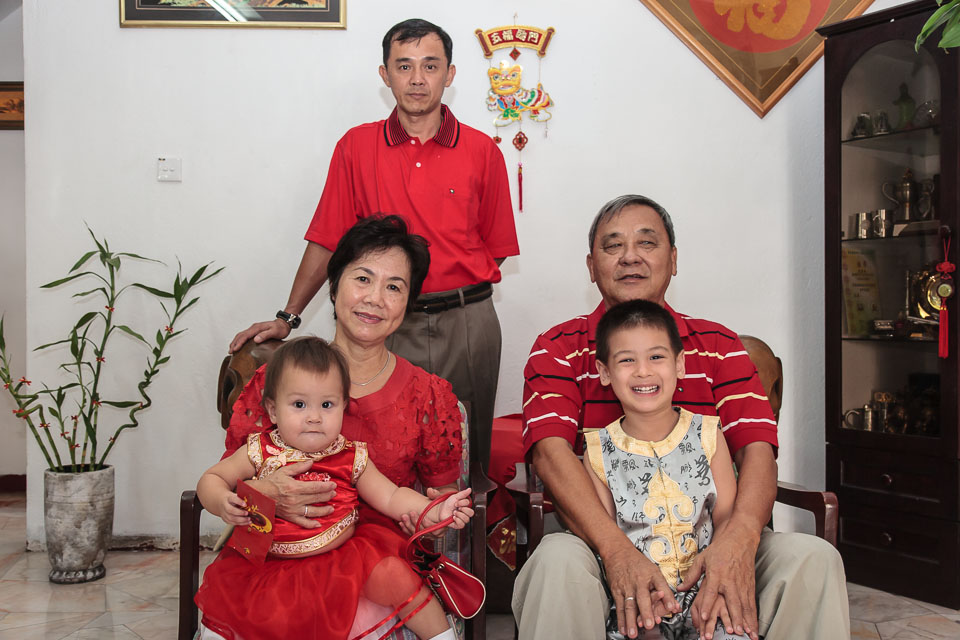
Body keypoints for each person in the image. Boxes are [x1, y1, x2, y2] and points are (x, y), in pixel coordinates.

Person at [513, 195, 848, 640]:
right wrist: (616, 551)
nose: (630, 256)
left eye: (646, 242)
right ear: (591, 266)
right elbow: (550, 455)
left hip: (715, 536)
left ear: (673, 259)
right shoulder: (557, 347)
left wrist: (738, 540)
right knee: (555, 563)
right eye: (613, 245)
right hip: (596, 540)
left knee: (814, 559)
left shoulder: (719, 345)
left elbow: (757, 451)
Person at [228, 18, 519, 471]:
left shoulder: (483, 151)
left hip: (467, 323)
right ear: (385, 75)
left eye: (430, 66)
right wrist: (288, 317)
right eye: (404, 66)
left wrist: (450, 285)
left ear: (450, 74)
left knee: (464, 452)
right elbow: (328, 240)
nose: (417, 79)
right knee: (376, 452)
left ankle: (463, 521)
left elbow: (494, 246)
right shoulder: (356, 146)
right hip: (382, 322)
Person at [195, 337, 473, 640]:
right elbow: (212, 479)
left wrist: (435, 508)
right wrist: (222, 500)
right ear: (273, 411)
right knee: (234, 616)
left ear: (343, 407)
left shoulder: (351, 455)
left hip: (345, 564)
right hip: (270, 566)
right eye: (299, 405)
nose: (314, 417)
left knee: (398, 577)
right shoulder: (259, 450)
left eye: (327, 405)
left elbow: (392, 496)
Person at [584, 299, 747, 640]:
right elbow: (604, 537)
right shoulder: (597, 451)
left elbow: (727, 518)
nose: (643, 371)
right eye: (626, 360)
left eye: (656, 357)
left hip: (707, 595)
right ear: (604, 372)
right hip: (639, 602)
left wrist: (717, 584)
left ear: (680, 364)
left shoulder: (708, 434)